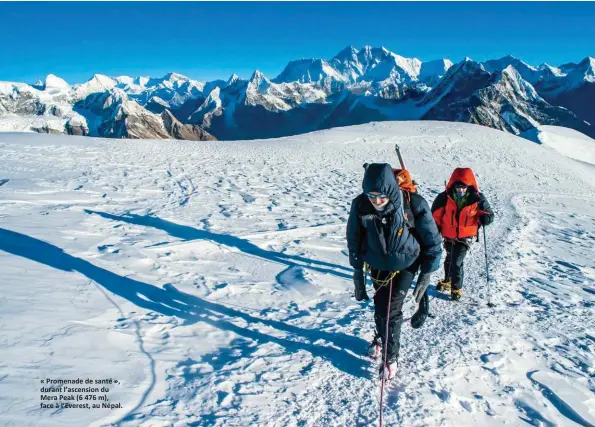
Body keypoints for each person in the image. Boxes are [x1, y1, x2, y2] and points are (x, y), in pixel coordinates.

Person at [347, 163, 441, 379]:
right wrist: (357, 273)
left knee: (390, 310)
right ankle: (381, 337)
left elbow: (433, 242)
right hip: (377, 264)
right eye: (372, 196)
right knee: (380, 307)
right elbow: (354, 239)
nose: (376, 201)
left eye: (381, 196)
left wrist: (426, 273)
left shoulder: (413, 204)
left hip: (407, 263)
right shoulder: (361, 206)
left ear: (391, 190)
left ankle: (391, 357)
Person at [431, 168, 494, 301]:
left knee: (456, 262)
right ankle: (447, 280)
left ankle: (456, 288)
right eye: (458, 187)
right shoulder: (444, 197)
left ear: (468, 186)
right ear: (453, 185)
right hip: (448, 235)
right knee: (449, 258)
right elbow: (435, 215)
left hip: (465, 237)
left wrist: (486, 218)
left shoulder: (477, 198)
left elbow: (489, 213)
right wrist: (434, 229)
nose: (460, 190)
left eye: (463, 187)